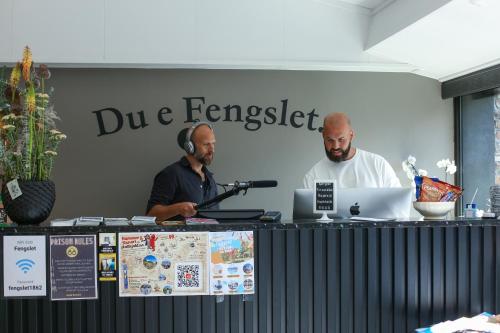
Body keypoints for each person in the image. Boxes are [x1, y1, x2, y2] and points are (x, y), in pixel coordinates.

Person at [303, 112, 401, 189]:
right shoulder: (313, 176)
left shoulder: (378, 164)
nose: (336, 146)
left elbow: (399, 205)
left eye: (341, 139)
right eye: (330, 140)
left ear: (351, 135)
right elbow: (304, 213)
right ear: (323, 136)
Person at [146, 121, 219, 220]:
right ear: (190, 147)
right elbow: (151, 215)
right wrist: (178, 208)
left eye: (213, 143)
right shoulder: (171, 174)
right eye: (206, 144)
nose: (212, 150)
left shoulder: (210, 179)